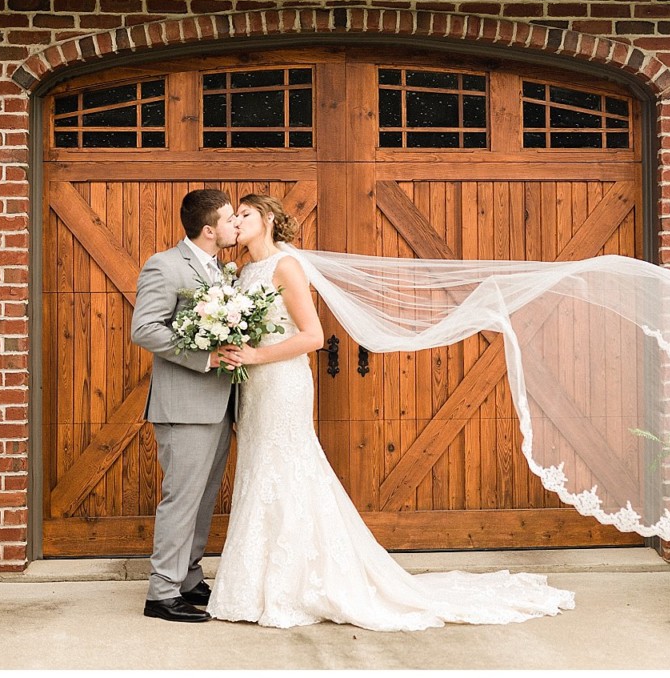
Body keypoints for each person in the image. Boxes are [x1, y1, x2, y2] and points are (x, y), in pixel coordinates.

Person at [207, 194, 575, 631]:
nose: (236, 222)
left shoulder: (286, 266)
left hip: (282, 384)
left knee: (286, 467)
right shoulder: (243, 271)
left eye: (244, 215)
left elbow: (313, 336)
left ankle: (296, 585)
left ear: (266, 219)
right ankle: (260, 583)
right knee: (260, 470)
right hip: (255, 389)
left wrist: (253, 356)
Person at [131, 188, 239, 623]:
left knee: (204, 497)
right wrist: (206, 357)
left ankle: (189, 578)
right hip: (184, 406)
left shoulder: (222, 270)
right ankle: (161, 593)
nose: (237, 225)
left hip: (219, 404)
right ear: (210, 229)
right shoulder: (166, 265)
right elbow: (145, 329)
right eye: (232, 219)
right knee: (181, 500)